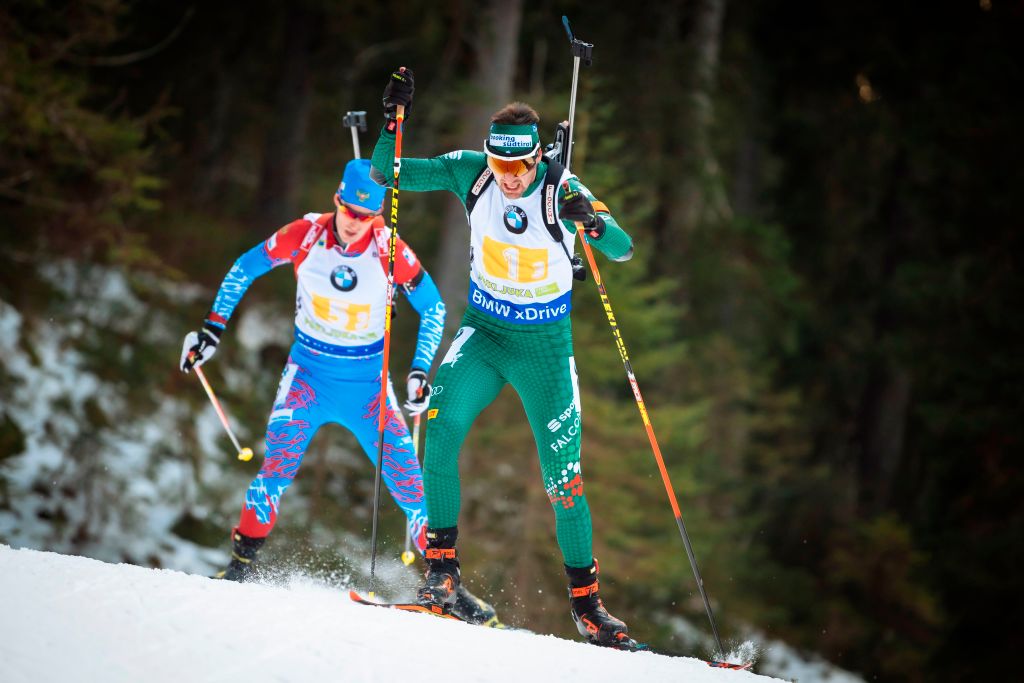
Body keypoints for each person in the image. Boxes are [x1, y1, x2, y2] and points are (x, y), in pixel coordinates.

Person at [371, 67, 637, 648]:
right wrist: (394, 123)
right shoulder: (473, 173)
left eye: (518, 168)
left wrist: (588, 220)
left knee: (563, 482)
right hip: (485, 333)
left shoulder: (562, 188)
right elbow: (384, 174)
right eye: (499, 166)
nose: (508, 179)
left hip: (544, 349)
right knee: (437, 435)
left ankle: (588, 606)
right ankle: (441, 578)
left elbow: (621, 248)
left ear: (538, 158)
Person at [179, 158, 497, 625]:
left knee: (413, 489)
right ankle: (239, 568)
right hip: (307, 378)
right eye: (349, 211)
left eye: (366, 217)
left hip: (368, 388)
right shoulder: (304, 235)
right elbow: (243, 268)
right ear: (337, 201)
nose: (354, 224)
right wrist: (211, 330)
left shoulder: (389, 249)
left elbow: (432, 309)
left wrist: (418, 372)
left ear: (379, 216)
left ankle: (449, 589)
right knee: (275, 471)